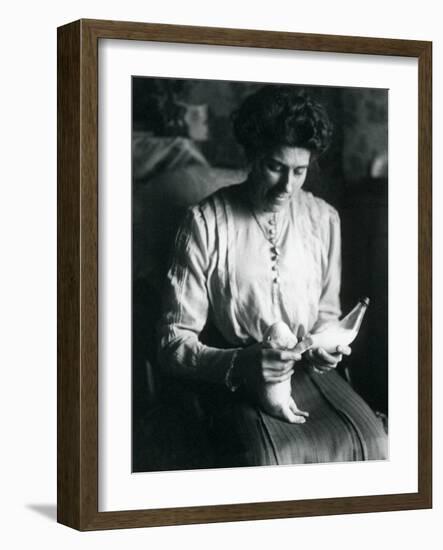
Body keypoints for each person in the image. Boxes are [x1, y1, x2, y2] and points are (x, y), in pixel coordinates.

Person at [157, 84, 387, 467]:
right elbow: (171, 344)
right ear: (252, 155)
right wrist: (241, 364)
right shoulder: (205, 222)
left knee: (376, 444)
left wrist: (325, 349)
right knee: (271, 459)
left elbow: (326, 314)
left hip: (309, 372)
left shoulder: (324, 219)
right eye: (275, 167)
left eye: (299, 171)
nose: (287, 186)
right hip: (233, 377)